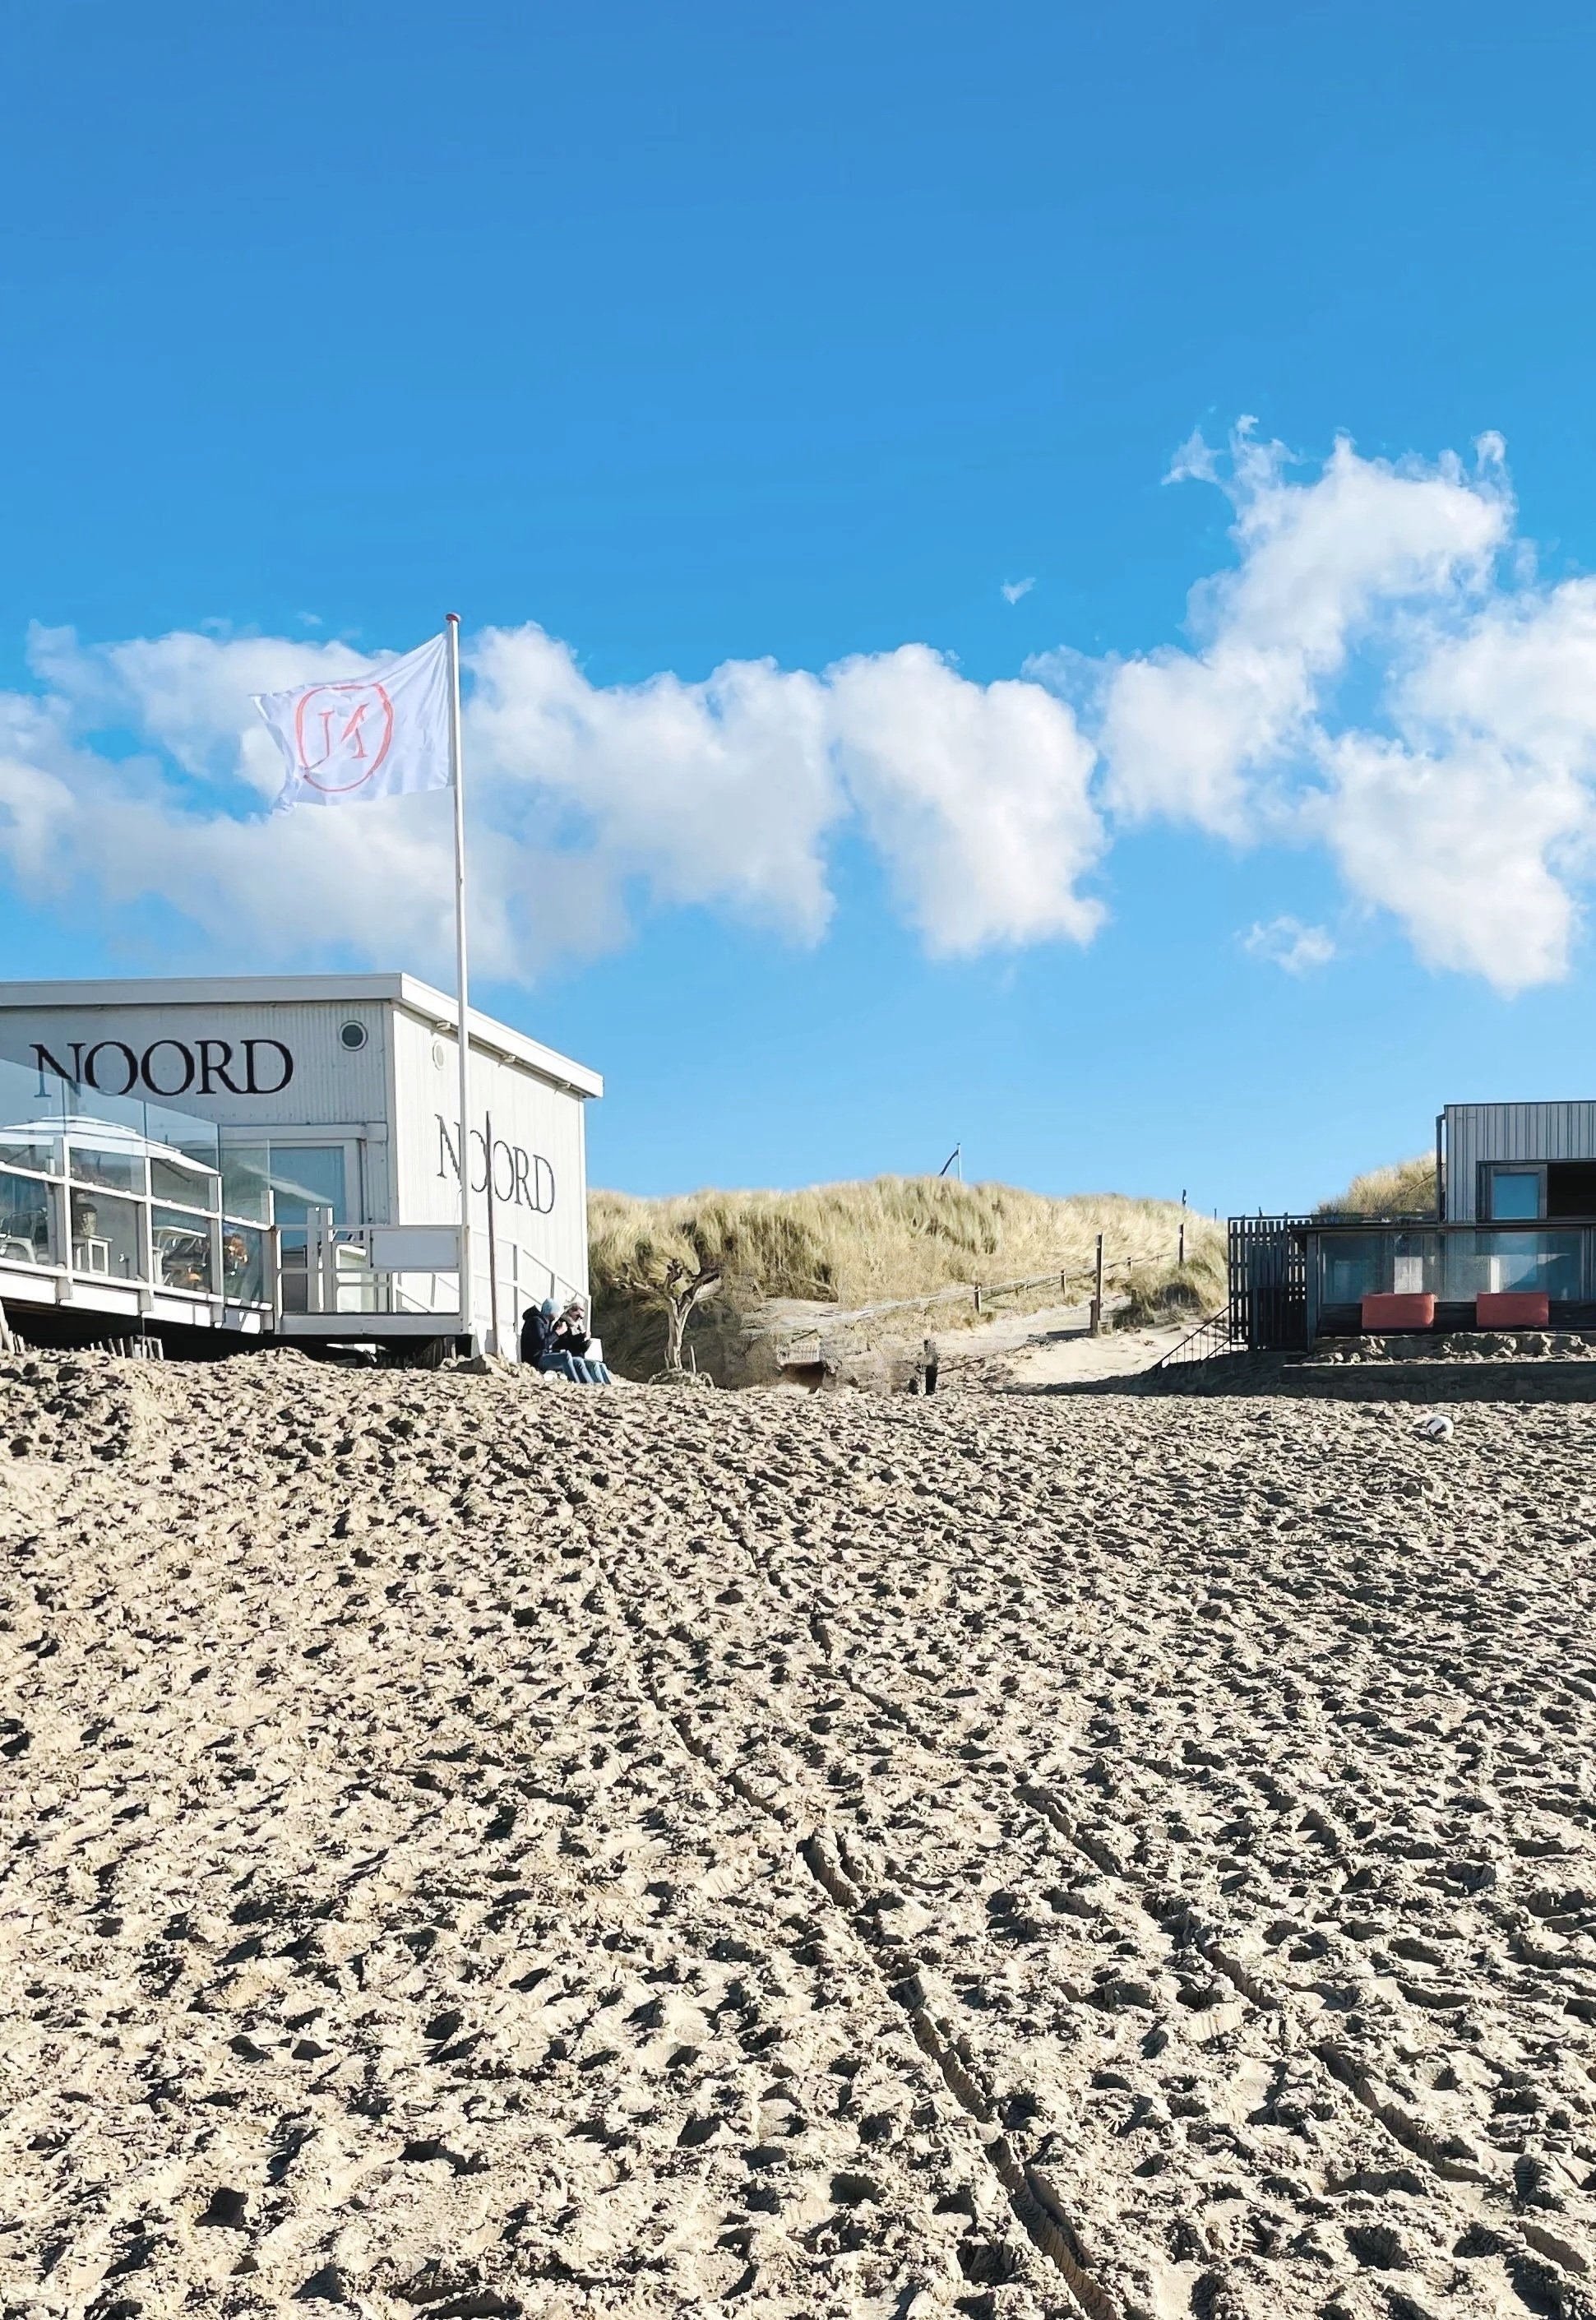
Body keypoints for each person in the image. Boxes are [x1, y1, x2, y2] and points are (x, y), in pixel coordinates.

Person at [520, 1298, 585, 1382]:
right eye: (556, 1311)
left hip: (544, 1355)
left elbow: (549, 1342)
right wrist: (558, 1333)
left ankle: (587, 1384)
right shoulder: (536, 1322)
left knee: (578, 1361)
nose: (558, 1314)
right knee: (565, 1357)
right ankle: (576, 1383)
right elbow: (542, 1344)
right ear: (550, 1311)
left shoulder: (546, 1322)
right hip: (536, 1359)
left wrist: (557, 1333)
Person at [557, 1297, 612, 1385]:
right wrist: (581, 1337)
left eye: (581, 1318)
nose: (579, 1319)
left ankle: (607, 1385)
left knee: (602, 1365)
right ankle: (599, 1385)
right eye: (577, 1316)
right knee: (593, 1365)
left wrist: (587, 1343)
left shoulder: (577, 1326)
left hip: (577, 1354)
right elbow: (566, 1343)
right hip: (568, 1355)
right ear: (570, 1312)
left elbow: (577, 1346)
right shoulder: (563, 1324)